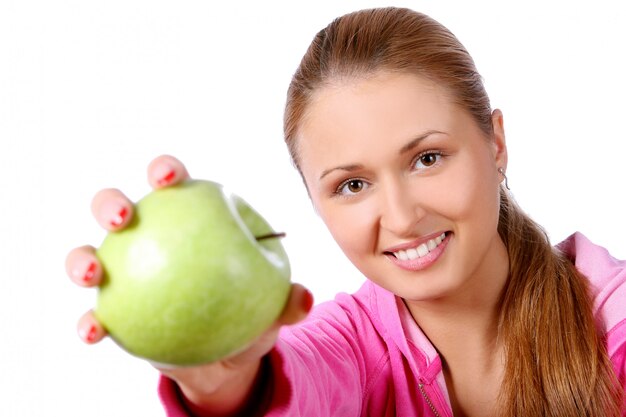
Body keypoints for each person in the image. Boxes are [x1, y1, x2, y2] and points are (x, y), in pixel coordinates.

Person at [65, 7, 626, 417]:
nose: (402, 217)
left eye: (427, 158)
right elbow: (290, 385)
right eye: (353, 185)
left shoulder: (611, 318)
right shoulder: (352, 348)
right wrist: (222, 378)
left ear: (495, 143)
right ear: (314, 200)